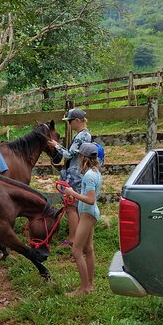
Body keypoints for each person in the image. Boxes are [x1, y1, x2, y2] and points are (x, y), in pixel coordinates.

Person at [62, 142, 102, 296]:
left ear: (82, 157)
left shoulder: (89, 176)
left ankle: (84, 288)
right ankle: (89, 285)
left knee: (76, 250)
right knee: (88, 249)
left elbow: (90, 199)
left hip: (87, 213)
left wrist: (72, 193)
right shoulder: (95, 172)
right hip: (89, 212)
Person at [48, 108, 91, 246]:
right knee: (75, 206)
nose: (69, 124)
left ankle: (73, 238)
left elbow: (68, 155)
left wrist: (56, 146)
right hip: (77, 172)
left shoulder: (81, 136)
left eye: (70, 121)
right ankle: (78, 237)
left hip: (74, 174)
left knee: (71, 206)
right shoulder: (85, 135)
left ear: (78, 121)